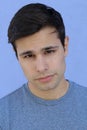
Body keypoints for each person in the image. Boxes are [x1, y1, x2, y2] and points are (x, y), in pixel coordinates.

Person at [0, 3, 87, 130]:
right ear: (17, 56)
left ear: (65, 46)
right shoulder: (3, 116)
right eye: (28, 56)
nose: (41, 67)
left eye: (49, 51)